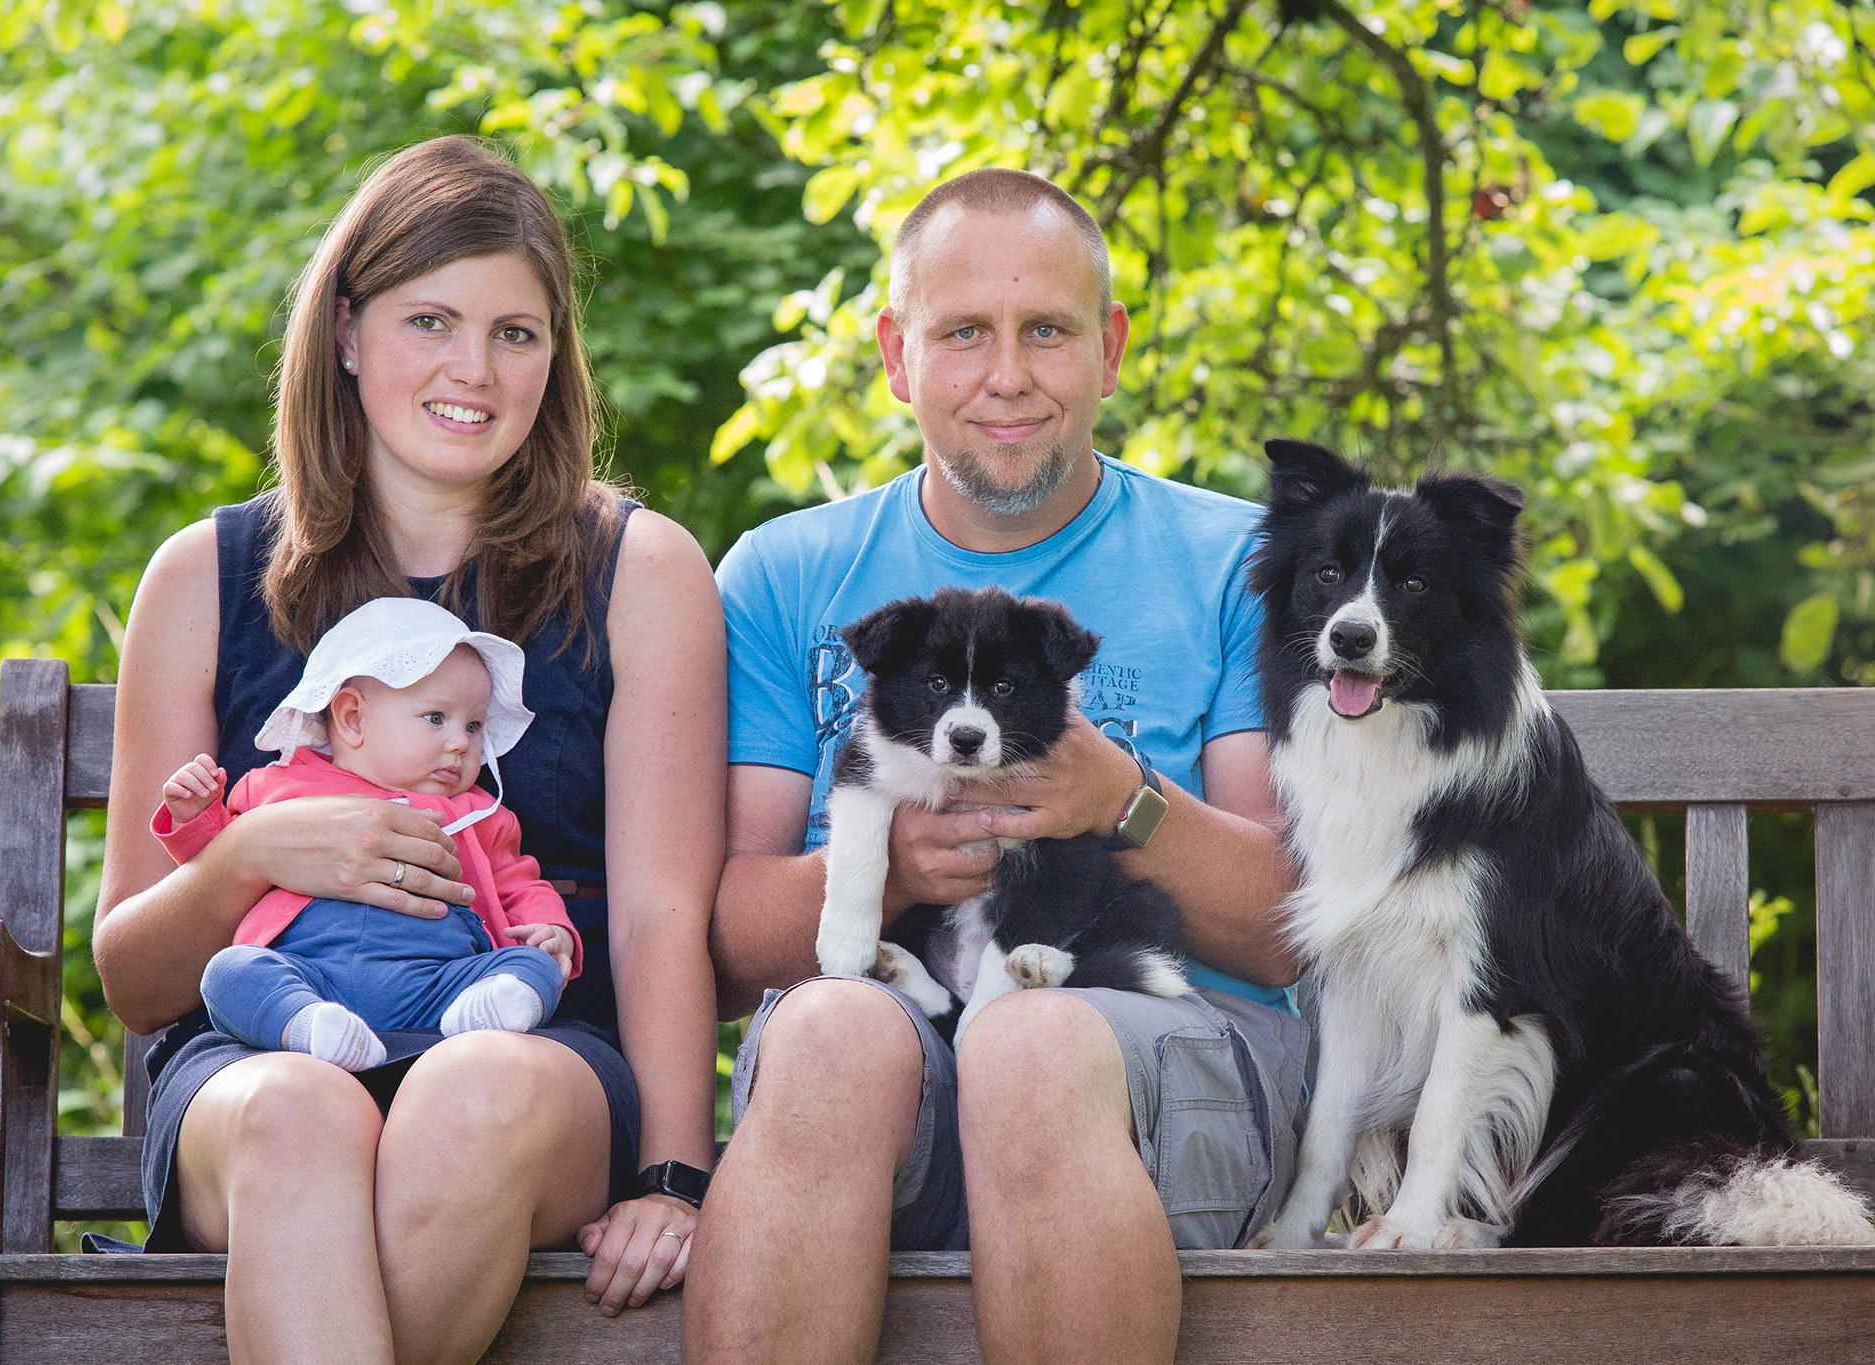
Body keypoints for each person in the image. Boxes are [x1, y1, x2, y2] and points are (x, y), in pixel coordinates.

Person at [93, 136, 724, 1364]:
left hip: (533, 1055)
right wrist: (250, 858)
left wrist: (676, 1176)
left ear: (557, 353)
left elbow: (656, 917)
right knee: (297, 1113)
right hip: (256, 1056)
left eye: (516, 332)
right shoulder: (205, 577)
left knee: (472, 1085)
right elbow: (135, 981)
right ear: (344, 328)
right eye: (429, 319)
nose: (472, 370)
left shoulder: (637, 572)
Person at [685, 168, 1308, 1364]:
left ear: (1111, 347)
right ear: (895, 355)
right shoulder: (782, 575)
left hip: (1167, 1087)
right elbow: (723, 937)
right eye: (962, 332)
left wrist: (1118, 802)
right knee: (822, 1033)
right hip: (878, 1096)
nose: (1007, 374)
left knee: (1027, 1035)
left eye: (1047, 331)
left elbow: (1290, 932)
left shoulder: (1240, 566)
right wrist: (902, 869)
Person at [158, 600, 581, 1072]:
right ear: (353, 718)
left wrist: (550, 929)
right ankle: (310, 1025)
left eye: (474, 725)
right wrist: (196, 815)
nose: (461, 742)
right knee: (228, 973)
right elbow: (218, 863)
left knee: (535, 969)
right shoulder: (279, 787)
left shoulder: (478, 814)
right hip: (312, 975)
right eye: (436, 718)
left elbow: (519, 882)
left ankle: (484, 1013)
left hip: (440, 983)